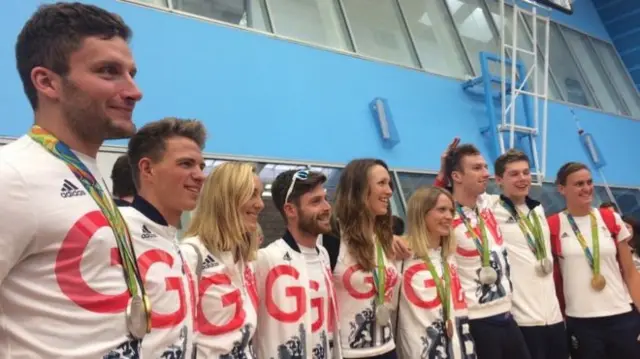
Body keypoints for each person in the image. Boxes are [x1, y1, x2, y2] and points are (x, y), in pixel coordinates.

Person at [0, 3, 145, 357]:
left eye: (131, 73)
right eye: (109, 72)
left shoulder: (84, 172)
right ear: (47, 82)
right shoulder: (12, 177)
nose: (134, 91)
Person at [434, 142, 531, 359]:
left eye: (485, 167)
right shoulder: (446, 218)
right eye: (477, 168)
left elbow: (517, 185)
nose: (486, 173)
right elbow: (424, 208)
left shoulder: (489, 204)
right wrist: (442, 174)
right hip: (476, 321)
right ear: (457, 176)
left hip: (507, 314)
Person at [121, 117, 206, 358]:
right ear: (147, 169)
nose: (200, 175)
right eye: (186, 164)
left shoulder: (177, 244)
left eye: (201, 165)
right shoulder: (116, 229)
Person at [548, 162, 640, 359]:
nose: (587, 188)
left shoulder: (610, 219)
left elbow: (631, 272)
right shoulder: (553, 225)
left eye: (589, 182)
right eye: (579, 184)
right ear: (562, 189)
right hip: (581, 321)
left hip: (622, 316)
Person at [180, 162, 264, 358]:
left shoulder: (244, 258)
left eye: (259, 194)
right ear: (226, 199)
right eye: (251, 194)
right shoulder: (190, 254)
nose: (260, 204)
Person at [254, 169, 340, 359]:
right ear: (290, 210)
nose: (327, 207)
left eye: (325, 199)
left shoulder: (323, 254)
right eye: (315, 201)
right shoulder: (266, 259)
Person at [329, 158, 400, 359]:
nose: (389, 191)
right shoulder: (331, 238)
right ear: (358, 189)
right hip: (348, 352)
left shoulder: (384, 238)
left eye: (389, 184)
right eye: (381, 183)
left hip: (386, 348)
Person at [396, 186, 476, 359]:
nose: (449, 216)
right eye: (441, 210)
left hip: (459, 347)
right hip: (421, 349)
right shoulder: (401, 256)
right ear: (421, 213)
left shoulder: (449, 256)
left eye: (451, 210)